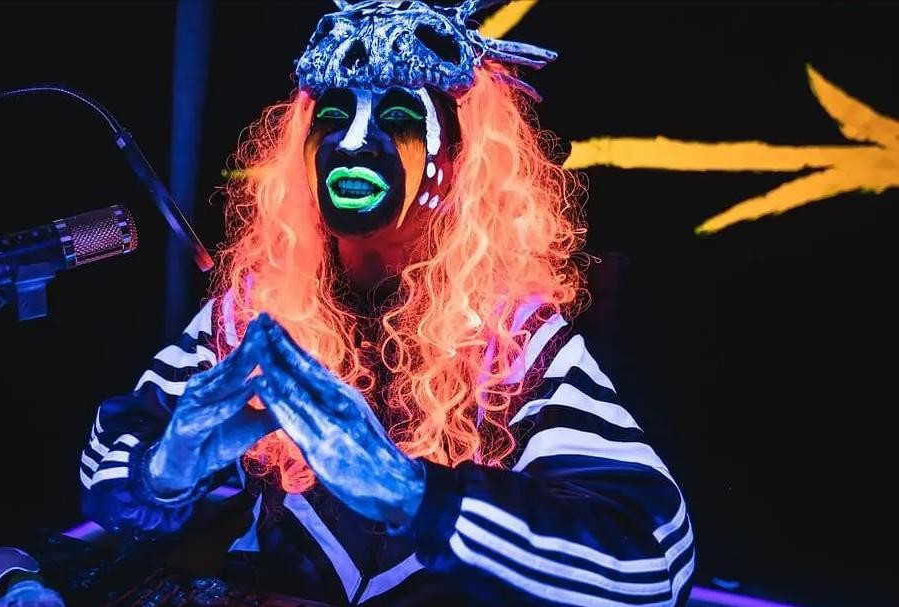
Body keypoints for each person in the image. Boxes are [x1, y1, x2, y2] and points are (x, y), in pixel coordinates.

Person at [79, 1, 695, 605]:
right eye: (333, 115)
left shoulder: (511, 335)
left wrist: (413, 495)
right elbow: (105, 467)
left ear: (457, 157)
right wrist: (160, 473)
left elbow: (655, 563)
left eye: (397, 117)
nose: (352, 143)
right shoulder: (257, 308)